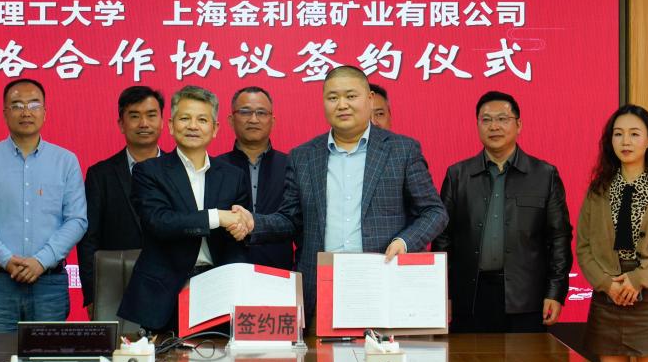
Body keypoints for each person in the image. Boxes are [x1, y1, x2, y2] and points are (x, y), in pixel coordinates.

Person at [241, 66, 447, 320]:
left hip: (384, 283)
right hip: (321, 290)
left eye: (351, 96)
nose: (342, 105)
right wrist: (254, 223)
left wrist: (404, 242)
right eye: (333, 97)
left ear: (369, 99)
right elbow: (290, 220)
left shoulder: (402, 150)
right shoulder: (303, 156)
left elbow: (434, 212)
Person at [432, 91, 572, 333]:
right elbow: (442, 238)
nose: (494, 126)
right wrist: (444, 293)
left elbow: (559, 237)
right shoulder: (458, 175)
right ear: (477, 125)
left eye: (502, 119)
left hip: (526, 297)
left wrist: (555, 292)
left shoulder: (544, 175)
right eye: (486, 120)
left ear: (519, 125)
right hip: (470, 297)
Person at [117, 86, 252, 332]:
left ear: (215, 128)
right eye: (185, 118)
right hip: (164, 294)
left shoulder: (233, 176)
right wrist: (217, 217)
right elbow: (159, 222)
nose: (193, 126)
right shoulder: (148, 171)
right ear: (171, 125)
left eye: (202, 120)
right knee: (166, 357)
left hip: (219, 292)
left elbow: (238, 240)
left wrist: (241, 230)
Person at [0, 79, 88, 332]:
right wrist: (5, 259)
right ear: (5, 113)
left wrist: (41, 261)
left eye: (34, 105)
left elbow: (77, 220)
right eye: (17, 105)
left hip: (48, 285)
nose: (26, 112)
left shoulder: (66, 161)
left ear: (45, 112)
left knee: (46, 357)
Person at [577, 105, 648, 362]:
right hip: (608, 297)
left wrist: (637, 280)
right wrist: (607, 284)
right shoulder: (598, 189)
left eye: (634, 134)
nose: (625, 141)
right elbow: (584, 247)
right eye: (618, 134)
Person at [76, 86, 164, 312]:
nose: (144, 123)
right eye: (134, 116)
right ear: (121, 124)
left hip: (170, 288)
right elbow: (88, 239)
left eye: (151, 115)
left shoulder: (180, 171)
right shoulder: (100, 175)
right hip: (115, 288)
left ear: (163, 122)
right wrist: (92, 295)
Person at [217, 86, 294, 270]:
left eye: (261, 113)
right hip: (227, 271)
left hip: (279, 272)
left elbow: (296, 222)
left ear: (272, 120)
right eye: (245, 112)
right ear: (231, 120)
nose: (253, 119)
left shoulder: (292, 165)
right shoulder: (215, 167)